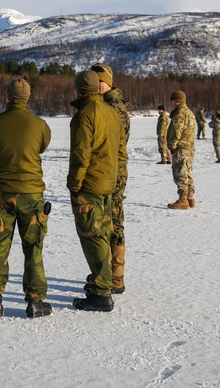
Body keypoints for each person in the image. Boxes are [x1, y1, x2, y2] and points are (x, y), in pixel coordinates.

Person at [0, 78, 53, 318]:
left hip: (1, 193)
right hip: (31, 194)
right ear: (28, 96)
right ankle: (35, 301)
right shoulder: (40, 124)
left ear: (8, 96)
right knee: (33, 247)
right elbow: (41, 148)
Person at [68, 70, 123, 312]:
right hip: (108, 184)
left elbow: (81, 154)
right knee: (102, 234)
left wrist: (74, 183)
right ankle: (102, 283)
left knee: (93, 237)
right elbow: (120, 152)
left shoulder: (84, 115)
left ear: (80, 89)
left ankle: (101, 294)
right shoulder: (112, 113)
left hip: (90, 185)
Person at [91, 62, 130, 295]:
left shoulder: (114, 107)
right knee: (105, 221)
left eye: (99, 82)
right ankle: (106, 272)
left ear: (108, 83)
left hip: (113, 172)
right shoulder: (107, 104)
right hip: (109, 170)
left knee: (113, 221)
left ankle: (116, 277)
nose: (96, 86)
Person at [166, 91, 197, 209]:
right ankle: (191, 199)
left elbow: (176, 131)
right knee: (187, 172)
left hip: (181, 148)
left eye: (172, 100)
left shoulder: (180, 113)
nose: (171, 102)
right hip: (189, 148)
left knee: (180, 173)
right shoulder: (190, 113)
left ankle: (183, 200)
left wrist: (172, 145)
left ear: (177, 101)